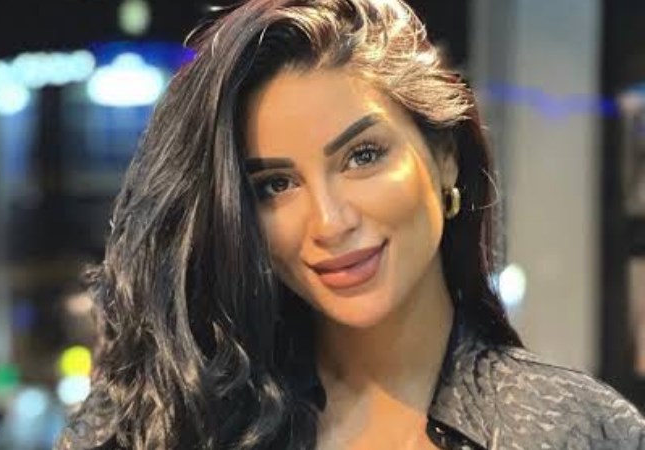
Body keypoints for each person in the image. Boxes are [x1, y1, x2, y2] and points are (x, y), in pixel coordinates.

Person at [57, 0, 645, 448]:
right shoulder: (168, 418)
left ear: (445, 158)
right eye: (275, 185)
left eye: (363, 156)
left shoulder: (571, 427)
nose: (330, 221)